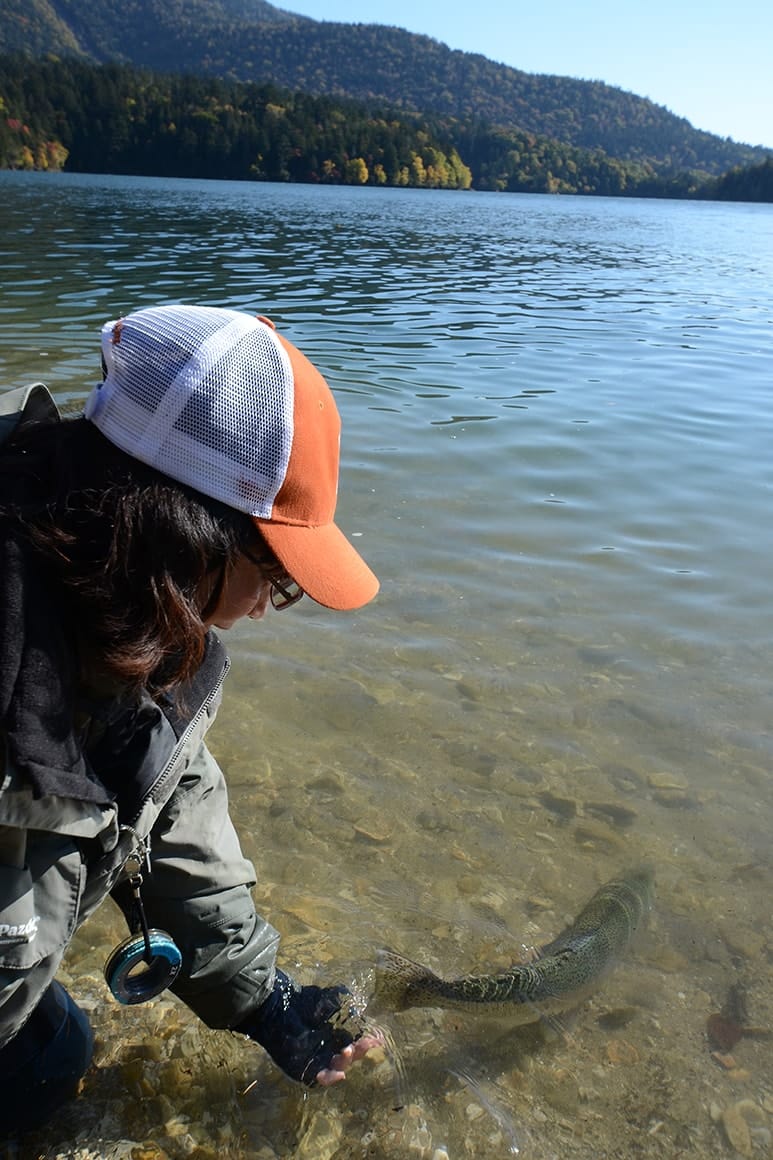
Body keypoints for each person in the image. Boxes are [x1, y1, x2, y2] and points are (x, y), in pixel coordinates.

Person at [0, 304, 381, 1133]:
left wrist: (266, 1001)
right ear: (184, 534)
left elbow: (175, 826)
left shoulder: (152, 643)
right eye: (275, 575)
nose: (270, 607)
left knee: (52, 1059)